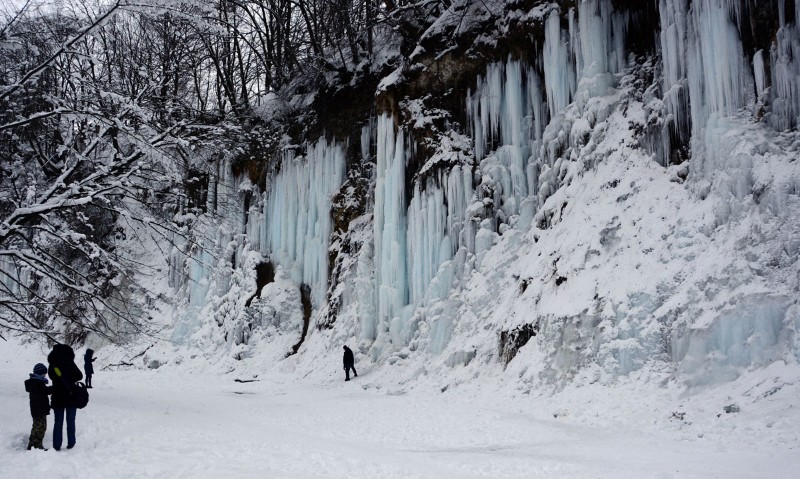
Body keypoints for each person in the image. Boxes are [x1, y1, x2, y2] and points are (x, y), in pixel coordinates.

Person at [48, 344, 83, 451]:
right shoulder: (70, 362)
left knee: (58, 421)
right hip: (71, 395)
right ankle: (71, 442)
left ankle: (57, 445)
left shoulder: (53, 364)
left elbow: (51, 376)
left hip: (57, 395)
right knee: (71, 421)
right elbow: (79, 376)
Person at [24, 363, 53, 450]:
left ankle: (32, 443)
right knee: (41, 427)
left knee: (36, 426)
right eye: (44, 373)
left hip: (36, 408)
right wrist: (55, 387)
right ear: (40, 373)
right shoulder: (38, 383)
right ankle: (36, 445)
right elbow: (46, 391)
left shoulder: (35, 382)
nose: (45, 375)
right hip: (39, 408)